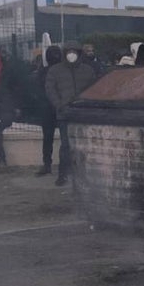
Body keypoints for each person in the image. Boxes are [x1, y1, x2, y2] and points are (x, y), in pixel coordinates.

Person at [44, 45, 98, 186]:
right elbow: (50, 90)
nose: (71, 55)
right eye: (69, 52)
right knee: (66, 145)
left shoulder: (87, 70)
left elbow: (94, 88)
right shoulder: (55, 71)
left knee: (84, 145)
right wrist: (59, 105)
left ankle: (83, 174)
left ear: (79, 54)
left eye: (74, 52)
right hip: (65, 113)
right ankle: (63, 174)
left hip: (83, 113)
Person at [36, 45, 63, 176]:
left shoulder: (47, 71)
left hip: (56, 107)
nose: (55, 57)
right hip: (49, 108)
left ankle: (54, 165)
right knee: (48, 138)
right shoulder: (43, 71)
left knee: (60, 138)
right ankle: (47, 164)